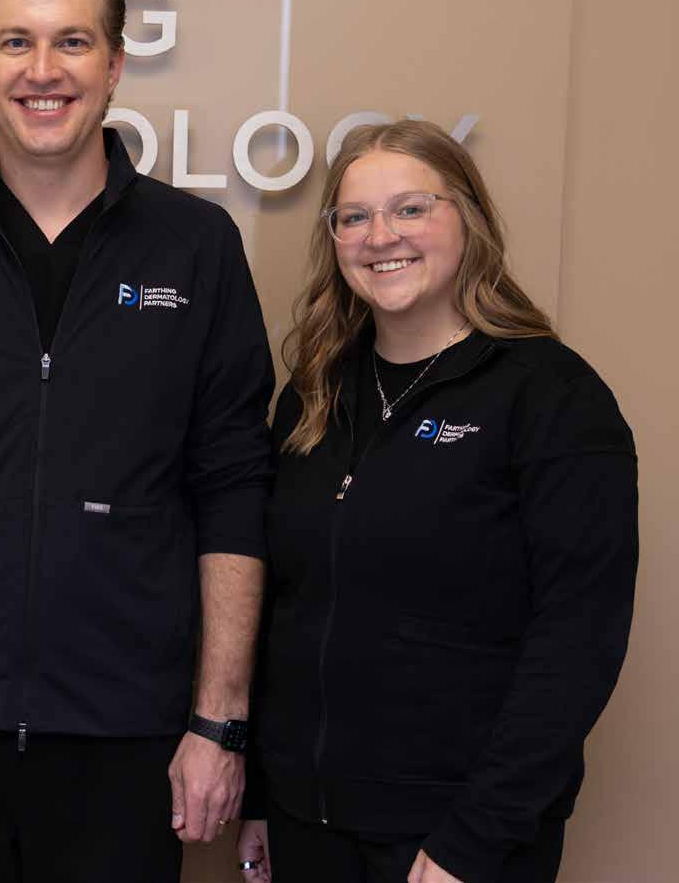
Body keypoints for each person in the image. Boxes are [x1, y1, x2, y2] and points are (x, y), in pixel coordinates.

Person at [0, 0, 274, 883]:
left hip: (131, 733)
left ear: (116, 64)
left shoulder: (196, 248)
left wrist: (219, 721)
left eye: (73, 42)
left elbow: (232, 490)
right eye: (15, 42)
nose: (43, 70)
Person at [237, 119, 637, 883]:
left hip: (454, 840)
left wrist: (477, 837)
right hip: (306, 823)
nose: (381, 236)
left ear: (468, 220)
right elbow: (286, 606)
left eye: (411, 208)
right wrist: (262, 790)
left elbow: (578, 639)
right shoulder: (315, 395)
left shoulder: (551, 396)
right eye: (354, 217)